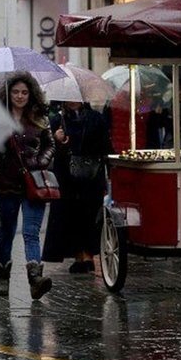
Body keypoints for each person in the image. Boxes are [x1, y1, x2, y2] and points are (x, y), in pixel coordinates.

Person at [0, 73, 55, 300]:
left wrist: (41, 161)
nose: (20, 96)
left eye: (24, 92)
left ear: (31, 94)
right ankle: (3, 277)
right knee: (7, 230)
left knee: (31, 232)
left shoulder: (39, 118)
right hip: (6, 184)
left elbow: (49, 145)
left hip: (34, 183)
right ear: (9, 93)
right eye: (15, 92)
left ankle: (35, 279)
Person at [44, 101, 111, 273]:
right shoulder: (57, 120)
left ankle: (88, 255)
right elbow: (48, 149)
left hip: (91, 175)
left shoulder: (96, 118)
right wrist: (57, 139)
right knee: (70, 214)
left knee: (89, 214)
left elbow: (105, 146)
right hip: (66, 178)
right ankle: (78, 255)